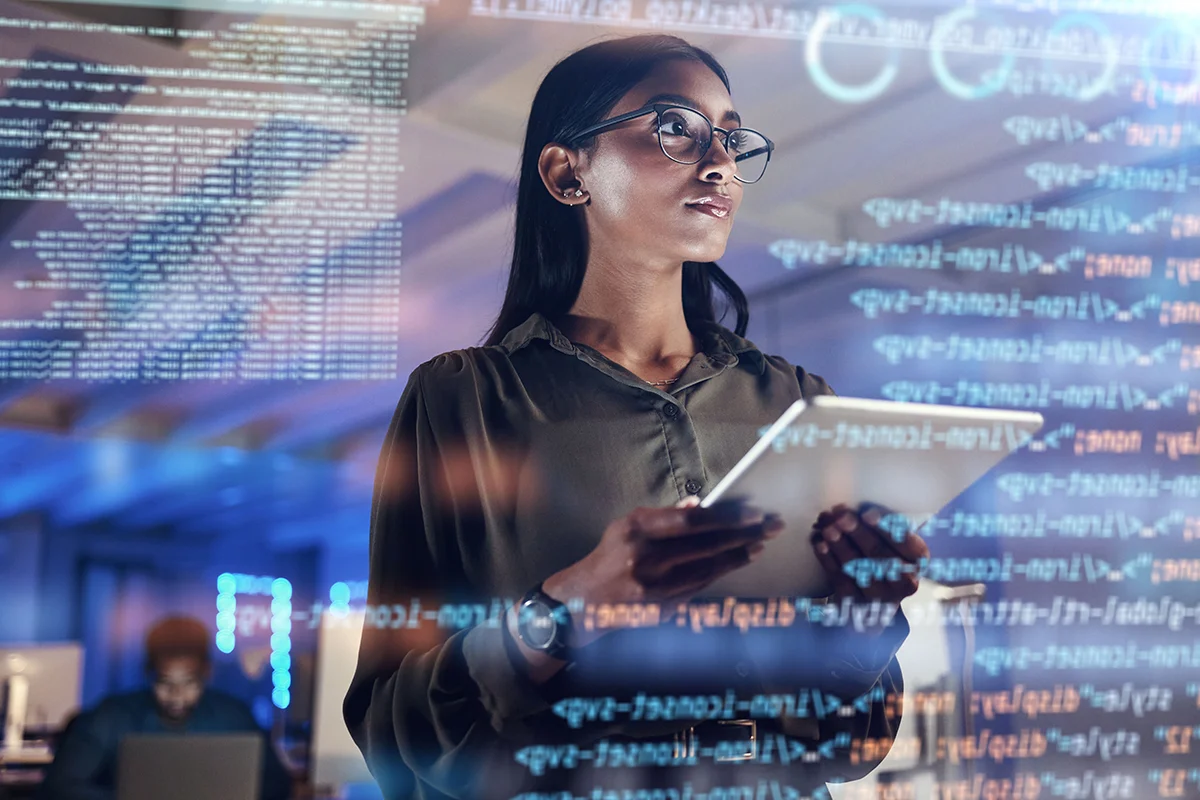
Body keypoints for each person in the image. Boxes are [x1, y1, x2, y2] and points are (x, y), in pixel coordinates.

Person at [344, 33, 930, 800]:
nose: (719, 161)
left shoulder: (796, 404)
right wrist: (563, 613)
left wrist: (860, 622)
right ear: (567, 173)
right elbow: (393, 732)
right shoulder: (463, 402)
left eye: (729, 135)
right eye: (675, 127)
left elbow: (853, 748)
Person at [38, 615, 292, 800]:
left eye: (190, 683)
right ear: (148, 673)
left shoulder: (234, 716)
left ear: (207, 674)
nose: (177, 696)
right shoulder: (110, 716)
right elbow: (60, 786)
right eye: (165, 683)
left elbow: (277, 785)